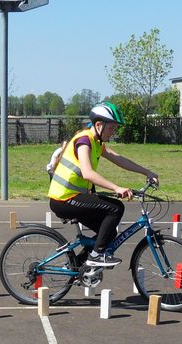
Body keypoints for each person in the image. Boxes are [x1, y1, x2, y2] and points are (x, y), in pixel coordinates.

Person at [47, 101, 158, 270]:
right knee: (115, 208)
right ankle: (96, 256)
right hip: (63, 199)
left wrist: (147, 172)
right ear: (99, 125)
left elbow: (119, 159)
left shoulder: (97, 143)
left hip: (74, 197)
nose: (113, 132)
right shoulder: (84, 141)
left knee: (109, 233)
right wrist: (116, 188)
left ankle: (77, 266)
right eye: (111, 128)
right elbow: (88, 173)